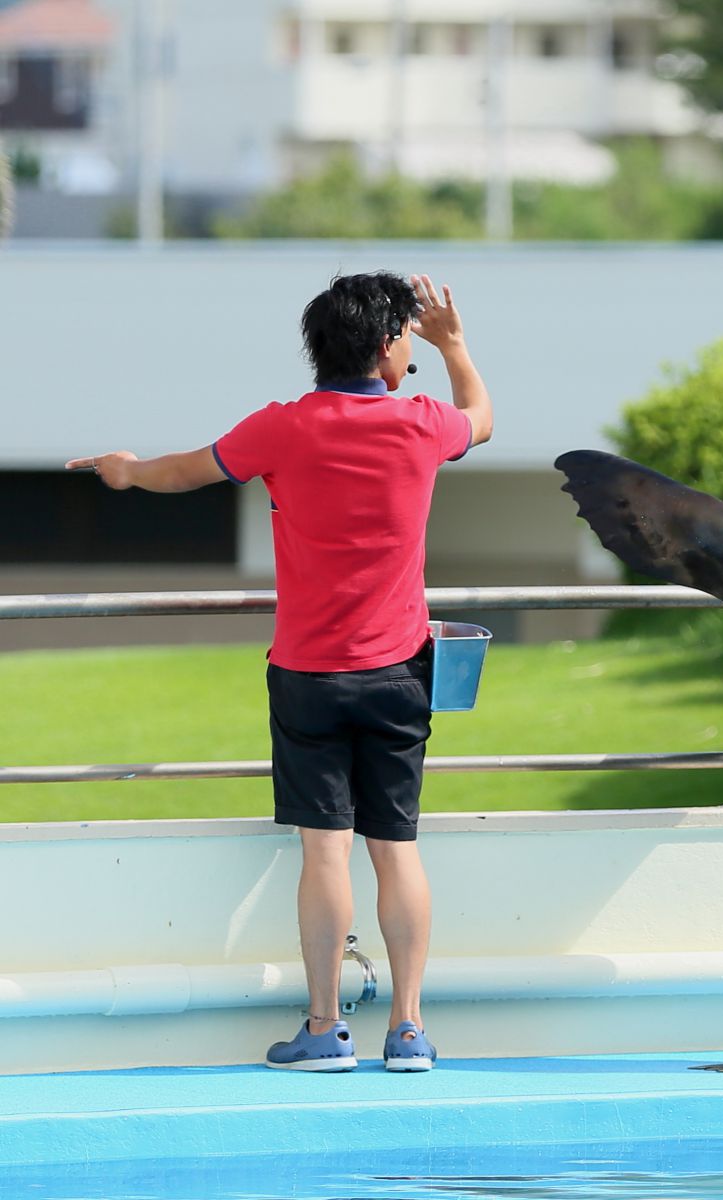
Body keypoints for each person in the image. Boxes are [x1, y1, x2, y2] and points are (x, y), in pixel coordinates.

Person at [67, 271, 493, 1072]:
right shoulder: (422, 424)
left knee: (324, 851)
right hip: (400, 671)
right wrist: (457, 345)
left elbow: (183, 471)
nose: (414, 351)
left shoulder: (281, 427)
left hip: (307, 675)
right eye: (407, 338)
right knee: (394, 846)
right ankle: (407, 1031)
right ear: (384, 345)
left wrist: (123, 470)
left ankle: (326, 1028)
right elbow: (484, 419)